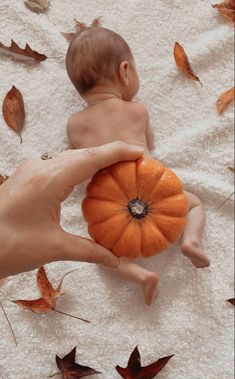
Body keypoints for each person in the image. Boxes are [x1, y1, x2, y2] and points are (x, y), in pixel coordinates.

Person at [65, 23, 210, 305]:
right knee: (193, 205)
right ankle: (191, 240)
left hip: (107, 204)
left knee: (100, 253)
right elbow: (150, 142)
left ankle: (141, 276)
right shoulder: (137, 111)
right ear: (125, 72)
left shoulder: (75, 125)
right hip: (150, 187)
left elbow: (76, 161)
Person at [0, 142, 144, 277]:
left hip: (125, 189)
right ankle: (141, 275)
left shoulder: (78, 125)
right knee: (114, 254)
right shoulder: (137, 115)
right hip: (134, 181)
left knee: (114, 255)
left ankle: (142, 276)